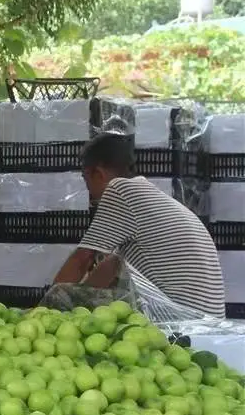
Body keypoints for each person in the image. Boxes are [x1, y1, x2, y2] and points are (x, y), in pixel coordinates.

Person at [52, 133, 225, 317]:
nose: (89, 192)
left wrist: (47, 310)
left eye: (86, 180)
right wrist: (77, 302)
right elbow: (110, 267)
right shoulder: (147, 198)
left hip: (181, 323)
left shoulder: (120, 190)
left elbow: (82, 259)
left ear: (98, 173)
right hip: (208, 323)